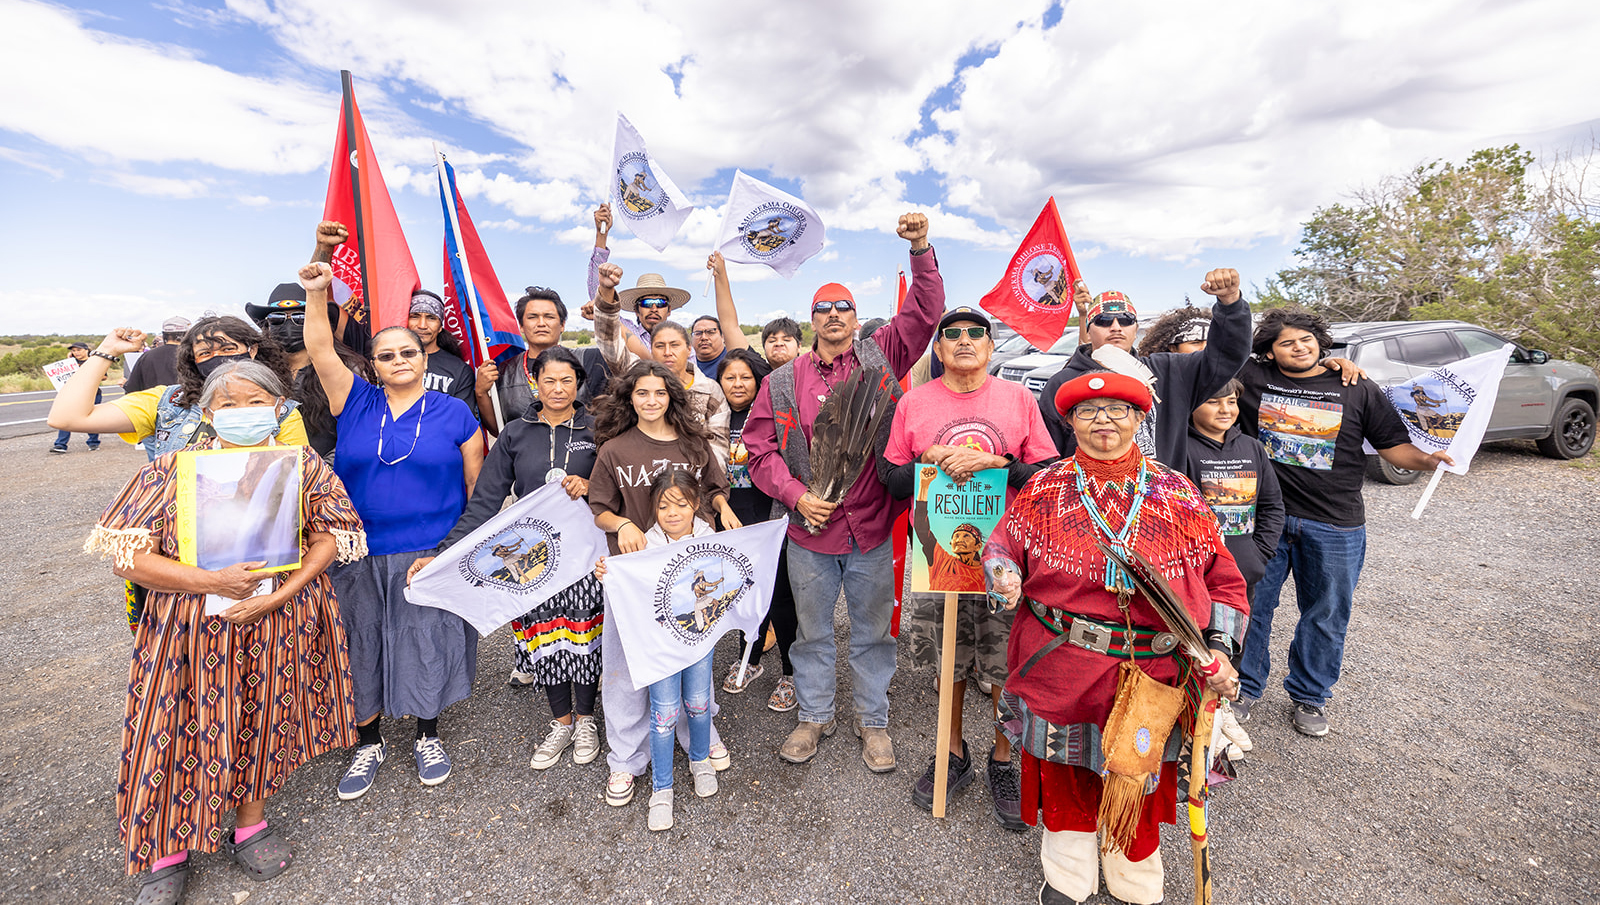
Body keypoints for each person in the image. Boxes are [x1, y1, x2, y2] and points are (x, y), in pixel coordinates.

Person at [84, 360, 365, 904]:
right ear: (208, 414)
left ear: (280, 409)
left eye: (256, 402)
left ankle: (249, 824)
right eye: (229, 405)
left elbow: (334, 534)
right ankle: (165, 851)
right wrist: (209, 580)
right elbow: (129, 559)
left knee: (264, 715)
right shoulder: (168, 470)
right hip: (190, 627)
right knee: (174, 724)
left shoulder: (301, 465)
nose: (243, 413)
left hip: (278, 621)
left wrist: (284, 592)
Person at [984, 371, 1249, 905]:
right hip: (1062, 661)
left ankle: (1132, 873)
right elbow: (1002, 546)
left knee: (1137, 771)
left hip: (1154, 669)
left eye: (1117, 410)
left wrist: (1220, 649)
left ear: (1138, 419)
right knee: (1064, 771)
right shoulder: (1042, 488)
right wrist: (1001, 572)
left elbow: (1223, 576)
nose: (1103, 420)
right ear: (1070, 422)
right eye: (1088, 411)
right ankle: (1067, 873)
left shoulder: (1178, 492)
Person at [744, 212, 944, 772]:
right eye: (823, 309)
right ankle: (814, 715)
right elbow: (759, 452)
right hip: (811, 533)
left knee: (874, 632)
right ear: (811, 321)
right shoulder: (781, 382)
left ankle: (872, 720)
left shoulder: (883, 357)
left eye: (843, 308)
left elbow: (925, 311)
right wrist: (793, 493)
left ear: (856, 318)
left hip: (873, 526)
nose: (833, 316)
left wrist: (920, 248)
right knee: (810, 634)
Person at [299, 260, 486, 795]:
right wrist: (317, 293)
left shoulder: (455, 413)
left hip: (429, 550)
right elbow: (319, 348)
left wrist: (458, 549)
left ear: (425, 357)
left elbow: (476, 488)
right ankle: (368, 743)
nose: (398, 360)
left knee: (425, 640)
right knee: (360, 641)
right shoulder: (353, 400)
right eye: (386, 355)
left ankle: (427, 733)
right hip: (356, 549)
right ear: (374, 365)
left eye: (408, 352)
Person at [1232, 306, 1453, 737]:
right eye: (1286, 342)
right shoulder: (1253, 380)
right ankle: (1244, 689)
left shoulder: (1356, 386)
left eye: (1306, 339)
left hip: (1336, 523)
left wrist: (1429, 461)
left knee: (1327, 613)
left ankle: (1310, 697)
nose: (1298, 347)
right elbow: (1216, 357)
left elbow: (1392, 447)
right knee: (1253, 608)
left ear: (1321, 342)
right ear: (1270, 350)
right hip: (1265, 521)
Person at [882, 306, 1058, 829]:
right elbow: (890, 476)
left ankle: (1003, 757)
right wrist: (929, 463)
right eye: (951, 334)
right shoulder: (914, 403)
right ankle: (952, 751)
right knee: (950, 662)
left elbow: (1046, 473)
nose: (963, 341)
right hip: (938, 559)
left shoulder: (1018, 399)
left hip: (1007, 557)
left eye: (975, 334)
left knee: (1006, 662)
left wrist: (997, 462)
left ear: (989, 345)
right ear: (937, 350)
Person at [407, 346, 605, 770]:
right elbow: (484, 504)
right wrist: (442, 555)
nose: (557, 388)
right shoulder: (515, 433)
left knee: (585, 640)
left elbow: (618, 490)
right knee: (546, 639)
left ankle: (587, 720)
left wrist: (591, 488)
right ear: (534, 382)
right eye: (548, 380)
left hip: (587, 558)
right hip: (534, 563)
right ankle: (561, 722)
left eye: (566, 380)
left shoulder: (598, 430)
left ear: (579, 384)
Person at [587, 361, 741, 808]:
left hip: (688, 576)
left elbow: (713, 488)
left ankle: (699, 732)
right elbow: (600, 508)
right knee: (627, 668)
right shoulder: (615, 449)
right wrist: (620, 524)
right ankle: (626, 758)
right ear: (629, 398)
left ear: (672, 397)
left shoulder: (693, 444)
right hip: (634, 576)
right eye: (642, 393)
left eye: (660, 393)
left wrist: (722, 507)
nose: (651, 400)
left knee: (693, 657)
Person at [593, 470, 724, 832]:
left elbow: (724, 576)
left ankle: (699, 760)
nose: (672, 513)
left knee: (698, 703)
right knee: (664, 712)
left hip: (698, 642)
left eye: (681, 504)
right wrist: (608, 570)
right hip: (659, 648)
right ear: (654, 508)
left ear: (695, 505)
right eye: (664, 506)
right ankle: (661, 789)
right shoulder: (645, 544)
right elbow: (626, 575)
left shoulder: (708, 538)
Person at [1037, 274, 1251, 473]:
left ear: (1135, 327)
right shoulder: (1063, 383)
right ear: (1088, 329)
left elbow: (1226, 357)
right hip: (1087, 500)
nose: (1116, 327)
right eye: (1103, 321)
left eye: (1125, 320)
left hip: (1159, 498)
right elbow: (1050, 455)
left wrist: (1230, 304)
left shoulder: (1169, 371)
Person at [48, 319, 308, 462]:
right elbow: (66, 418)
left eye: (228, 349)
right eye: (205, 353)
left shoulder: (281, 410)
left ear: (251, 351)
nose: (217, 358)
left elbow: (296, 477)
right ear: (193, 361)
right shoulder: (166, 402)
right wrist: (107, 351)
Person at [716, 348, 800, 711]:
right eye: (729, 377)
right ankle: (749, 661)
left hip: (771, 516)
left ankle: (791, 673)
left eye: (744, 377)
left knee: (780, 595)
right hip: (732, 519)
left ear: (759, 380)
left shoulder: (771, 417)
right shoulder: (715, 420)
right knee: (741, 594)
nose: (737, 384)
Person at [593, 263, 730, 463]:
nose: (668, 352)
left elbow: (717, 451)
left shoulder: (710, 391)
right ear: (651, 350)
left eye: (674, 345)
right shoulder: (637, 376)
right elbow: (609, 343)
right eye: (660, 346)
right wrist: (606, 290)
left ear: (688, 348)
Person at [246, 271, 372, 459]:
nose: (289, 327)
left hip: (331, 475)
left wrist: (320, 471)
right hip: (271, 474)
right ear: (266, 326)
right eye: (277, 319)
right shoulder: (255, 374)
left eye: (300, 318)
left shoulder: (347, 368)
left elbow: (359, 428)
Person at [1183, 378, 1285, 598]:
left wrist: (1259, 554)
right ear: (1192, 405)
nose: (1225, 410)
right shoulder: (1179, 449)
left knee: (1236, 632)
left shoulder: (1252, 447)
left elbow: (1272, 506)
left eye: (1231, 401)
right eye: (1213, 402)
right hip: (1195, 576)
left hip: (1242, 573)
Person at [407, 290, 481, 420]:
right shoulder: (388, 361)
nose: (422, 325)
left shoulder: (459, 370)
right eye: (415, 316)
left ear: (440, 326)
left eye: (431, 318)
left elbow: (462, 423)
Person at [50, 343, 101, 453]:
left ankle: (93, 442)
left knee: (90, 419)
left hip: (91, 393)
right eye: (74, 350)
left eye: (78, 350)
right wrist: (69, 362)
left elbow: (104, 376)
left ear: (86, 350)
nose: (76, 352)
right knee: (65, 417)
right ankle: (60, 444)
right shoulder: (69, 364)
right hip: (72, 394)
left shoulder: (94, 362)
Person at [121, 316, 189, 393]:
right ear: (187, 335)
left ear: (164, 335)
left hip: (152, 403)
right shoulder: (191, 355)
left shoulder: (147, 356)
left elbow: (132, 388)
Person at [1135, 305, 1212, 358]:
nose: (1205, 348)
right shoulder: (1154, 378)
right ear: (1173, 348)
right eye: (1196, 342)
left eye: (1212, 343)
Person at [690, 315, 728, 380]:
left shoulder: (732, 360)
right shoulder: (686, 365)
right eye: (698, 333)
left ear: (722, 337)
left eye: (710, 332)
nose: (704, 337)